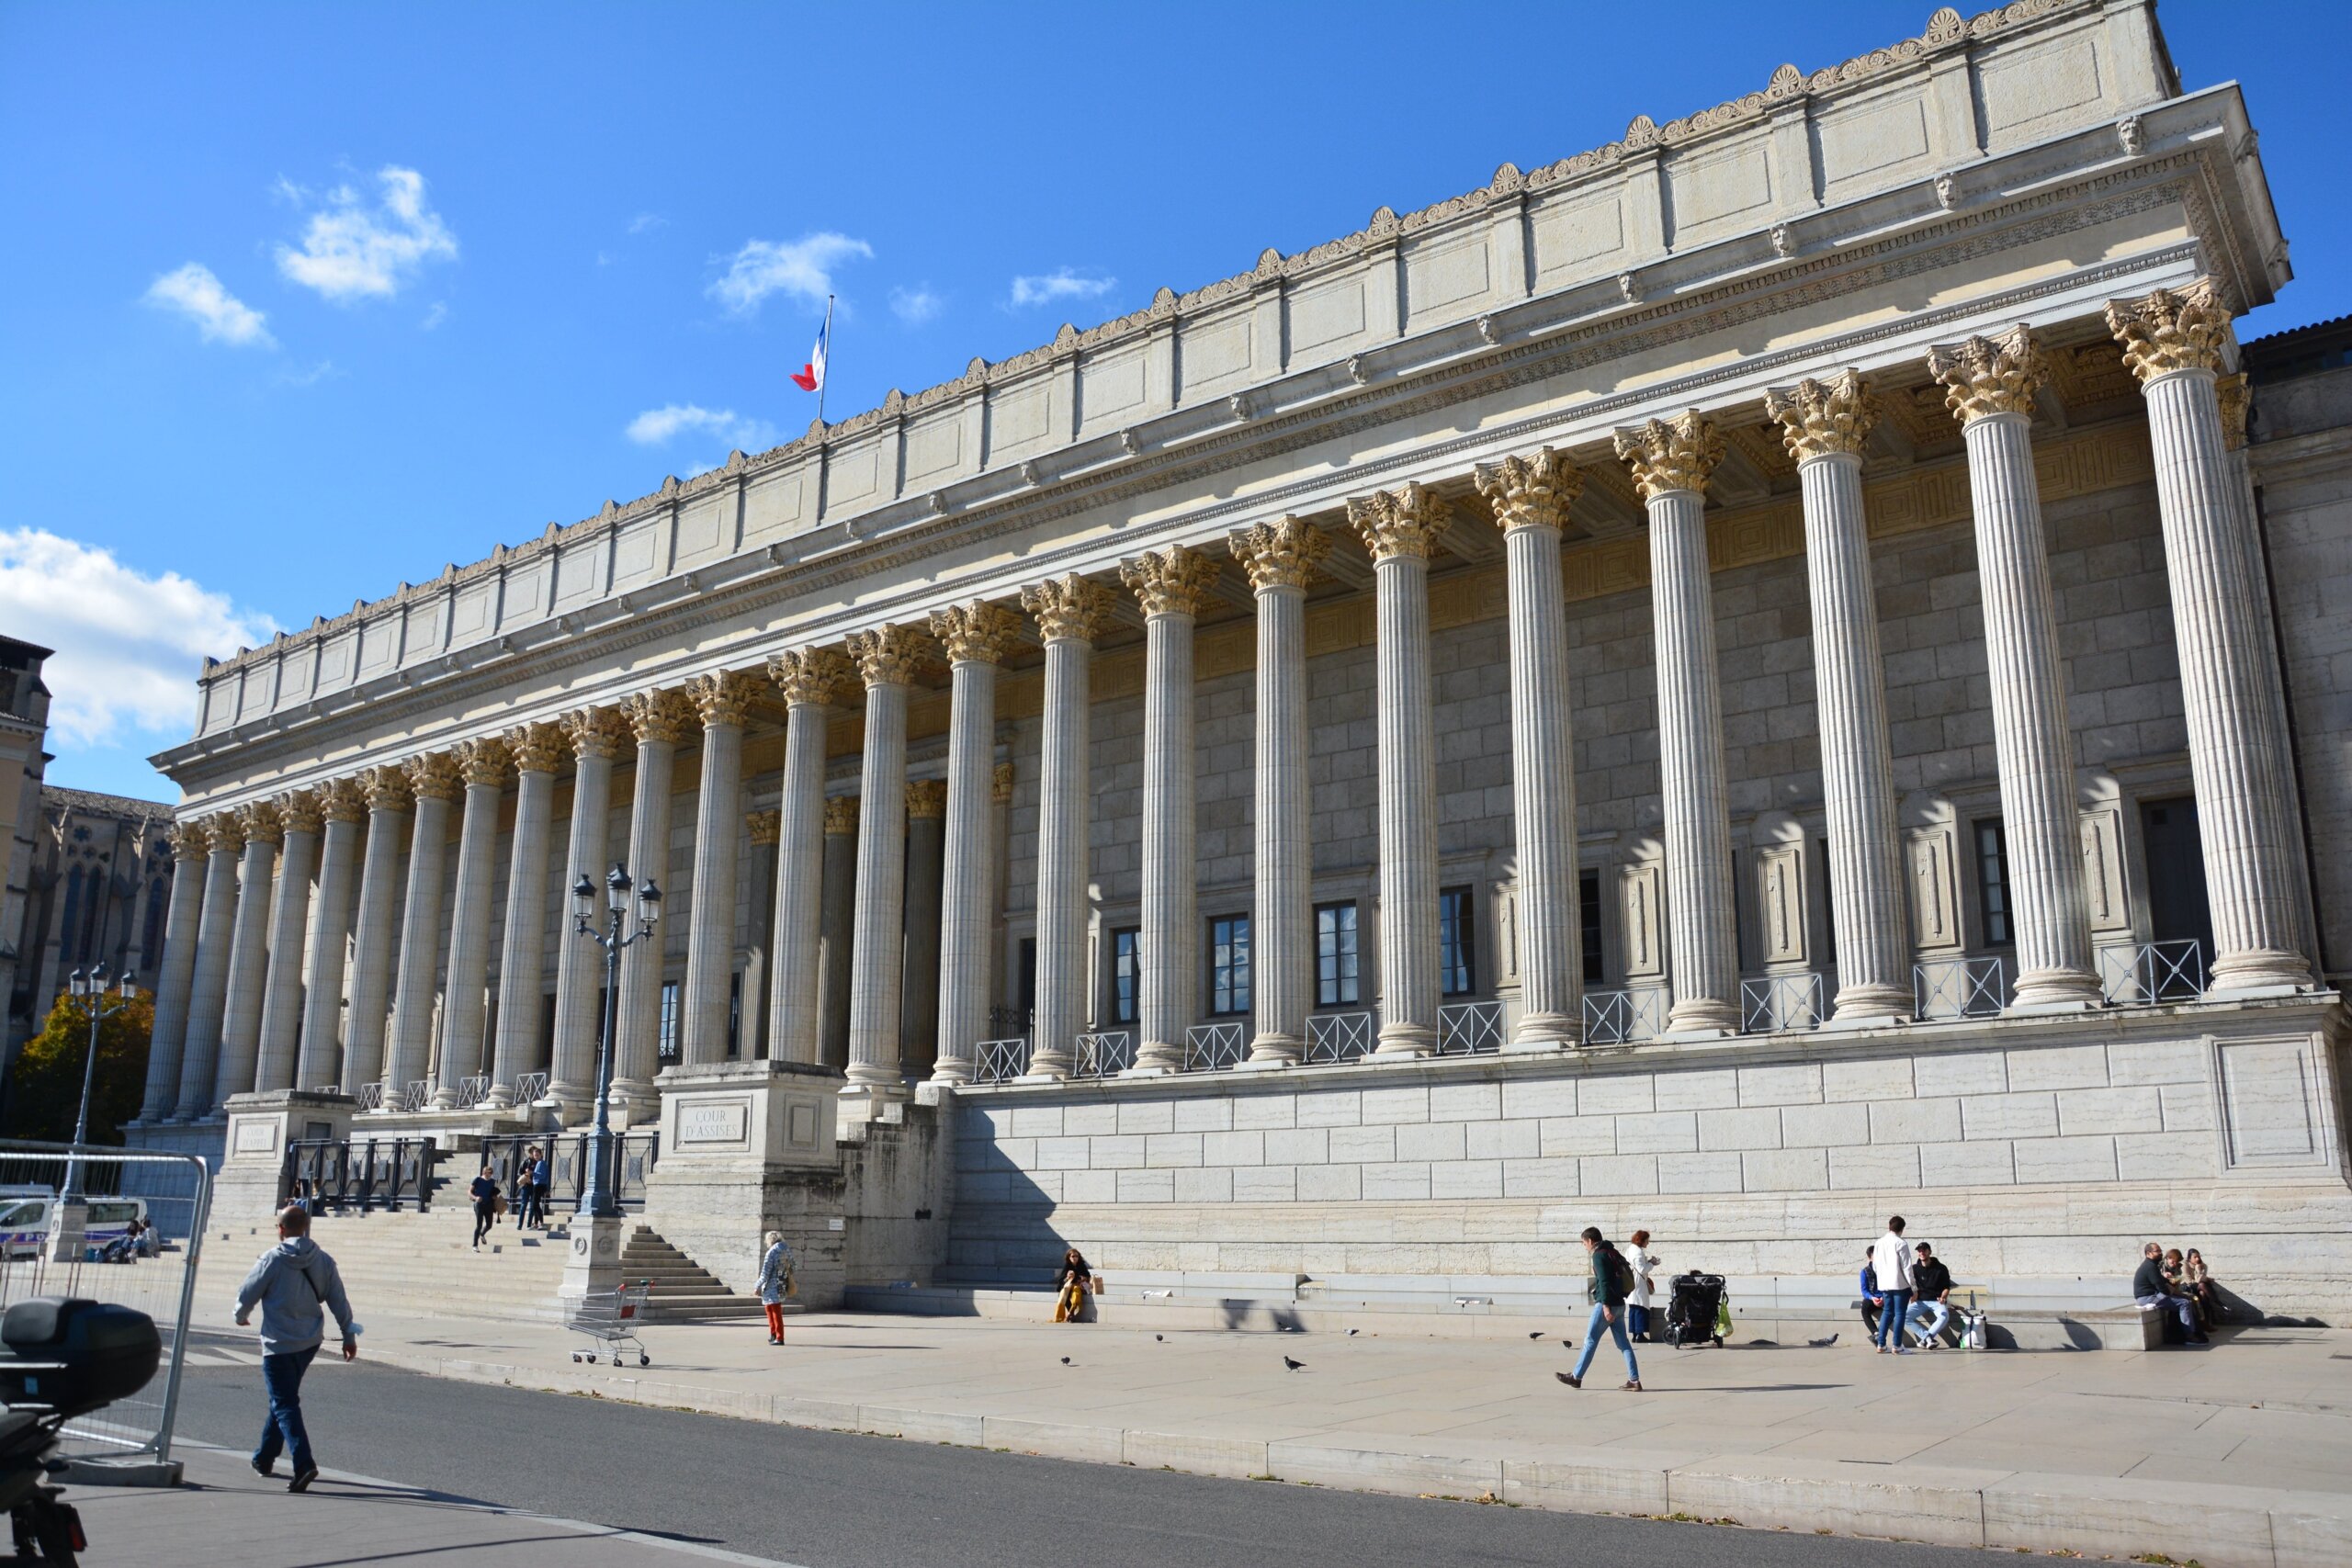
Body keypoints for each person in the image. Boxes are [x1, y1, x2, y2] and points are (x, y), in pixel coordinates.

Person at [233, 1204, 356, 1494]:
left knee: (284, 1402)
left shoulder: (272, 1259)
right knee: (283, 1399)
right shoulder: (323, 1260)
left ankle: (303, 1463)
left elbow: (247, 1292)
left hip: (278, 1343)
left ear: (280, 1228)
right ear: (306, 1228)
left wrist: (241, 1316)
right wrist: (349, 1334)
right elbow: (338, 1299)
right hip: (309, 1342)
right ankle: (264, 1459)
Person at [1556, 1226, 1641, 1392]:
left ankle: (1576, 1377)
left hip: (1606, 1305)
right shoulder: (1612, 1251)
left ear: (1590, 1240)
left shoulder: (1599, 1255)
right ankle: (1634, 1380)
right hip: (1620, 1304)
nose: (1584, 1246)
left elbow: (1603, 1282)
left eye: (1584, 1243)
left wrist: (1605, 1307)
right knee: (1623, 1343)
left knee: (1590, 1341)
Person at [2133, 1241, 2207, 1343]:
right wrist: (2175, 1294)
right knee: (2184, 1303)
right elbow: (2162, 1288)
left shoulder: (2151, 1265)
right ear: (2148, 1253)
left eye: (2160, 1250)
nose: (2160, 1253)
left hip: (2151, 1296)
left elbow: (2163, 1282)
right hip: (2147, 1298)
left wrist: (2176, 1291)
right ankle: (2189, 1335)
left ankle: (2188, 1331)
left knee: (2185, 1299)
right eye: (2157, 1251)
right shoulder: (2150, 1267)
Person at [1873, 1216, 1915, 1355]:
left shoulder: (1879, 1242)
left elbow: (1875, 1265)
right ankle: (1897, 1345)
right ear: (1902, 1229)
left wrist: (1882, 1279)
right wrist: (1914, 1287)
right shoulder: (1901, 1243)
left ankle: (1881, 1344)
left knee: (1887, 1312)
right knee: (1900, 1313)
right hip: (1899, 1284)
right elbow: (1907, 1268)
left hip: (1885, 1284)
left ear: (1889, 1226)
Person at [1907, 1241, 1954, 1348]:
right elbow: (1910, 1285)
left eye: (1924, 1250)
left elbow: (1946, 1287)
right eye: (1919, 1251)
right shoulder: (1914, 1269)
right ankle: (1927, 1338)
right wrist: (1912, 1296)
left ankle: (1925, 1340)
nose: (1921, 1253)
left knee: (1944, 1316)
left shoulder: (1941, 1268)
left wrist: (1943, 1298)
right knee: (1903, 1317)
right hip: (1920, 1302)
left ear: (1930, 1252)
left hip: (1936, 1301)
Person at [756, 1229, 797, 1345]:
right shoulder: (786, 1250)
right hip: (782, 1284)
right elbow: (794, 1266)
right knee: (772, 1309)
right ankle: (774, 1334)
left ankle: (779, 1337)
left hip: (771, 1285)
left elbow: (765, 1272)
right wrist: (784, 1273)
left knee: (773, 1311)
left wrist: (757, 1285)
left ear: (770, 1240)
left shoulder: (771, 1252)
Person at [1625, 1230, 1660, 1343]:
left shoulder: (1630, 1249)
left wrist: (1648, 1261)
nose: (1648, 1243)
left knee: (1633, 1309)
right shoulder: (1638, 1252)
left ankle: (1635, 1334)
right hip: (1638, 1284)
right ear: (1642, 1240)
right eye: (1647, 1241)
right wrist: (1652, 1264)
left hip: (1631, 1282)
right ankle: (1640, 1335)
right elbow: (1642, 1269)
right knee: (1641, 1308)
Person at [1052, 1247, 1092, 1324]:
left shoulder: (1082, 1265)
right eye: (1073, 1256)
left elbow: (1088, 1276)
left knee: (1076, 1293)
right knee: (1065, 1294)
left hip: (1078, 1285)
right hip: (1068, 1286)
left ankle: (1070, 1313)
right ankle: (1071, 1314)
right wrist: (1067, 1277)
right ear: (1069, 1257)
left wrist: (1081, 1278)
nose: (1075, 1258)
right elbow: (1061, 1280)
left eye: (1076, 1256)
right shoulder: (1067, 1266)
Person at [2181, 1247, 2219, 1329]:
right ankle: (2218, 1303)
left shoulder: (2203, 1265)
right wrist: (2198, 1271)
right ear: (2189, 1258)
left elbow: (2201, 1279)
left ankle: (2206, 1323)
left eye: (2198, 1256)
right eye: (2195, 1257)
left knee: (2203, 1293)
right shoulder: (2184, 1265)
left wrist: (2200, 1272)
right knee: (2202, 1285)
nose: (2197, 1259)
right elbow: (2189, 1282)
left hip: (2199, 1288)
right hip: (2188, 1287)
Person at [468, 1163, 500, 1249]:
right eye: (486, 1172)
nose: (488, 1174)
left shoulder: (492, 1181)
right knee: (479, 1225)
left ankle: (482, 1234)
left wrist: (494, 1197)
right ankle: (475, 1245)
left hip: (489, 1204)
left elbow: (492, 1192)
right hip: (479, 1204)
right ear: (483, 1172)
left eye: (490, 1173)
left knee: (489, 1225)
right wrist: (475, 1198)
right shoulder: (477, 1180)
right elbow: (469, 1192)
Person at [1859, 1247, 1883, 1340]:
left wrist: (1884, 1298)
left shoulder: (1887, 1270)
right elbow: (1864, 1290)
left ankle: (1879, 1334)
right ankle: (1875, 1332)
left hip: (1886, 1297)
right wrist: (1872, 1298)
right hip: (1873, 1298)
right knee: (1865, 1307)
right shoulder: (1865, 1271)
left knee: (1891, 1310)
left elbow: (1891, 1287)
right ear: (1870, 1258)